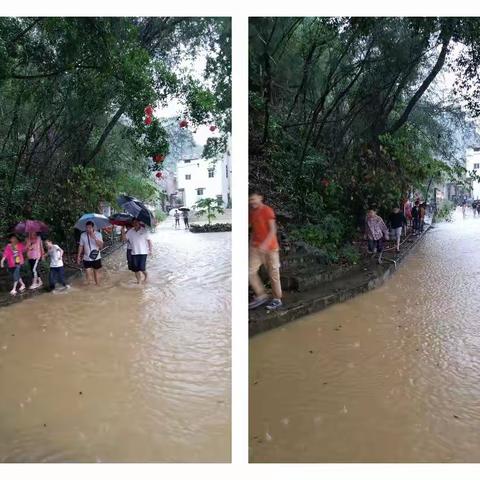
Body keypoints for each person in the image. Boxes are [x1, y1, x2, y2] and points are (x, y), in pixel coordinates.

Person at [248, 191, 283, 311]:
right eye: (250, 200)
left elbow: (273, 230)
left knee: (273, 274)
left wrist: (265, 245)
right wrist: (251, 245)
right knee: (249, 271)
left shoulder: (267, 210)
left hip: (271, 249)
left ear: (260, 198)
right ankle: (261, 295)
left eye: (254, 199)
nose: (252, 202)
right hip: (256, 248)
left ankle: (277, 299)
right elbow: (253, 230)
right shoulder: (251, 213)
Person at [122, 219, 153, 284]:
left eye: (136, 222)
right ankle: (139, 281)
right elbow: (124, 239)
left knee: (142, 268)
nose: (135, 223)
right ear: (132, 224)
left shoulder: (144, 230)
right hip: (134, 253)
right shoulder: (130, 231)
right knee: (136, 269)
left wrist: (150, 250)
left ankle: (146, 276)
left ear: (139, 222)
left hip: (143, 252)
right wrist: (122, 231)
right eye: (133, 222)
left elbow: (149, 241)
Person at [77, 221, 104, 285]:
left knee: (96, 273)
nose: (88, 229)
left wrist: (94, 238)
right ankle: (89, 287)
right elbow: (81, 246)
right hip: (86, 258)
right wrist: (78, 256)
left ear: (93, 228)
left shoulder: (98, 234)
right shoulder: (83, 235)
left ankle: (97, 285)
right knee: (87, 272)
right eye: (86, 227)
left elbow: (101, 246)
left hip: (96, 257)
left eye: (89, 227)